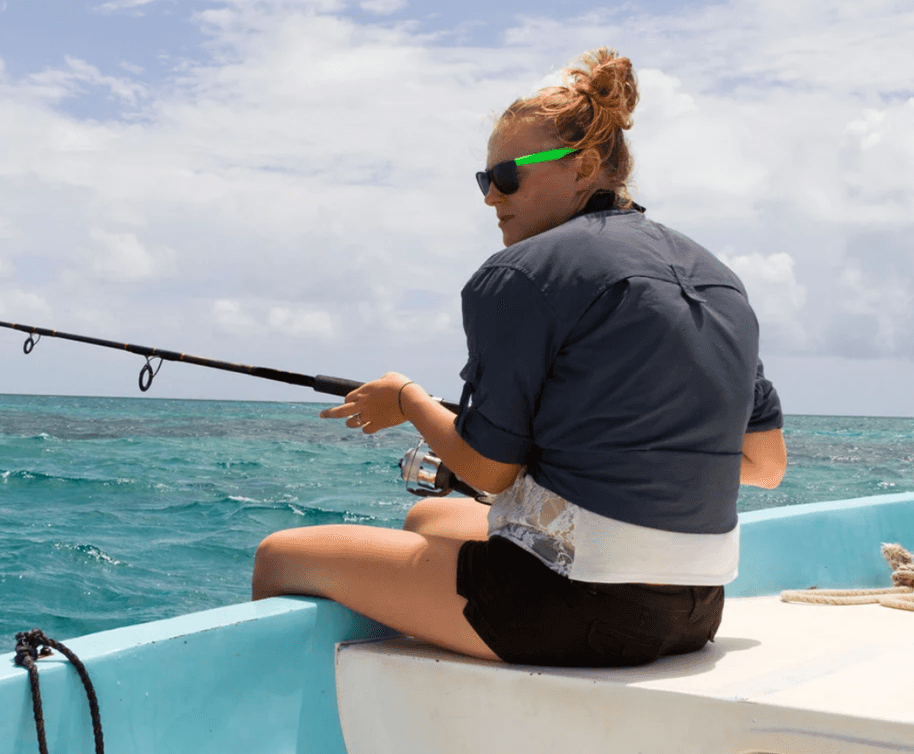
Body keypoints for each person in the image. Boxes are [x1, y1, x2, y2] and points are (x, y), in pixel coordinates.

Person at [251, 47, 787, 667]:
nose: (490, 198)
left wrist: (407, 400)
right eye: (485, 180)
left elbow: (487, 472)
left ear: (583, 165)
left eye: (506, 177)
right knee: (430, 517)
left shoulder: (519, 276)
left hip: (567, 609)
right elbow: (764, 463)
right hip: (692, 608)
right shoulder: (718, 279)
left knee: (282, 554)